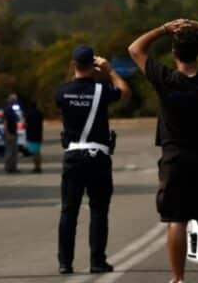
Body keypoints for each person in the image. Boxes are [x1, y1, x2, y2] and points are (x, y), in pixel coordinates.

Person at [128, 18, 198, 283]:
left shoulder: (165, 78)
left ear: (174, 53)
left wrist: (165, 29)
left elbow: (135, 49)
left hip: (175, 157)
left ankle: (178, 279)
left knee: (176, 219)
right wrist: (197, 26)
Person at [56, 45, 131, 275]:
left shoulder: (62, 92)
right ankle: (97, 261)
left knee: (69, 211)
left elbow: (67, 101)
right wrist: (110, 71)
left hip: (73, 156)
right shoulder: (101, 90)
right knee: (98, 210)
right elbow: (125, 93)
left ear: (73, 64)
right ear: (93, 65)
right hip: (97, 156)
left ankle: (65, 263)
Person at [23, 100, 44, 173]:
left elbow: (25, 124)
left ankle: (36, 167)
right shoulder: (39, 113)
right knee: (37, 151)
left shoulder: (28, 113)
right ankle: (38, 166)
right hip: (38, 134)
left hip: (31, 134)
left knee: (34, 152)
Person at [3, 94, 20, 173]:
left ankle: (13, 167)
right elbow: (5, 122)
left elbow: (17, 119)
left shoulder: (11, 109)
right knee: (10, 151)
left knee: (13, 151)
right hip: (10, 133)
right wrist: (7, 133)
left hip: (13, 132)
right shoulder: (8, 110)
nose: (15, 101)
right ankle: (9, 167)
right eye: (14, 100)